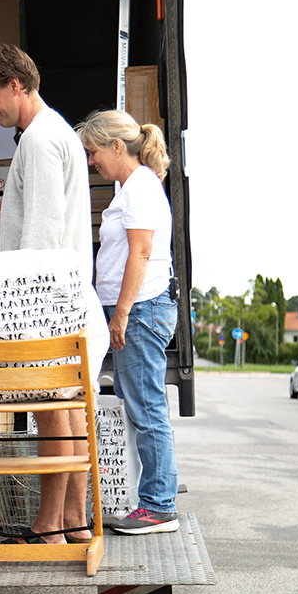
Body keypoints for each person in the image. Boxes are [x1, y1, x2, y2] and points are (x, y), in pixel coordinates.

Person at [0, 43, 108, 545]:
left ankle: (52, 523)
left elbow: (44, 235)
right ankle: (70, 521)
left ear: (16, 85)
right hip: (67, 298)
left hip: (48, 300)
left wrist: (22, 307)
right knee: (68, 409)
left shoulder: (41, 140)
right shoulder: (55, 133)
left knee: (54, 409)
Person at [76, 109, 180, 535]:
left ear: (116, 146)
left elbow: (139, 254)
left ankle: (159, 505)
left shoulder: (139, 188)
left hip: (140, 310)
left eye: (93, 151)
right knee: (139, 406)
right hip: (137, 309)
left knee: (145, 407)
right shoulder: (132, 187)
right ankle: (154, 496)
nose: (90, 161)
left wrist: (119, 315)